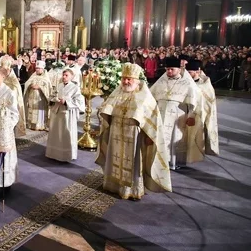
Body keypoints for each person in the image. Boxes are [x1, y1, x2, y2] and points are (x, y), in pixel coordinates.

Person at [96, 63, 172, 200]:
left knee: (133, 161)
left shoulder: (145, 96)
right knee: (114, 156)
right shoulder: (117, 92)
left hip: (134, 134)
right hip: (116, 131)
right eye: (124, 78)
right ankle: (112, 185)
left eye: (129, 79)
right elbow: (107, 109)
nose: (125, 81)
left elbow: (152, 118)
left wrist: (150, 135)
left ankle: (130, 189)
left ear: (136, 80)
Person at [150, 57, 199, 170]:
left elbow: (193, 101)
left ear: (179, 69)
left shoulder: (187, 83)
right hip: (161, 114)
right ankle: (159, 160)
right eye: (167, 69)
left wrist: (191, 116)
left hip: (177, 115)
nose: (169, 72)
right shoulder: (161, 81)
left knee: (174, 138)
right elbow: (151, 97)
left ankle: (173, 162)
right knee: (161, 136)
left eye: (172, 69)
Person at [45, 69, 85, 162]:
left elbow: (80, 101)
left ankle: (66, 155)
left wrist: (66, 101)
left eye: (66, 75)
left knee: (66, 133)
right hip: (57, 112)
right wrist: (54, 99)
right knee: (56, 133)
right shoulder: (59, 86)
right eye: (63, 75)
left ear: (72, 77)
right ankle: (54, 153)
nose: (64, 77)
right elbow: (51, 96)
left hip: (67, 113)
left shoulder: (75, 88)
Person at [186, 60, 219, 160]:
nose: (187, 74)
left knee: (196, 136)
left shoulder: (205, 85)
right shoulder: (185, 82)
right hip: (184, 113)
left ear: (198, 71)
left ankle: (195, 155)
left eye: (190, 72)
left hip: (199, 114)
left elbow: (208, 102)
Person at [0, 55, 27, 138]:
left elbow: (15, 89)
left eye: (5, 69)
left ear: (8, 68)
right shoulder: (0, 75)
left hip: (10, 104)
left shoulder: (13, 78)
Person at [23, 61, 51, 131]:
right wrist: (30, 85)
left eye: (39, 68)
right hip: (32, 97)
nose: (37, 70)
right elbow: (27, 83)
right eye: (36, 68)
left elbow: (48, 87)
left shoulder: (46, 77)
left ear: (42, 69)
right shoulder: (33, 75)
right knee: (32, 111)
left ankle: (40, 125)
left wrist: (39, 87)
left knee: (40, 112)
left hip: (41, 98)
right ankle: (32, 125)